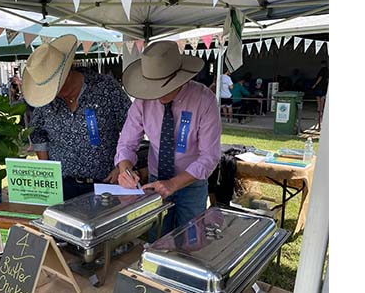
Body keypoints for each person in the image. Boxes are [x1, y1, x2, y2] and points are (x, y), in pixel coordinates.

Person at [115, 41, 221, 235]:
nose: (157, 94)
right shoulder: (142, 101)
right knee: (156, 238)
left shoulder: (204, 100)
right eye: (152, 87)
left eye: (163, 87)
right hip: (155, 181)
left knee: (191, 238)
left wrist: (174, 183)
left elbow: (209, 156)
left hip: (191, 183)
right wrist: (125, 170)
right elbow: (126, 144)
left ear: (180, 78)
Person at [23, 35, 131, 200]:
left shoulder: (106, 88)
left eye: (56, 87)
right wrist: (48, 170)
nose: (54, 94)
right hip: (63, 185)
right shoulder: (46, 103)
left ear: (67, 73)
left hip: (106, 183)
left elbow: (132, 129)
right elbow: (37, 132)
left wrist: (121, 167)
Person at [311, 60, 329, 130]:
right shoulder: (327, 70)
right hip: (325, 86)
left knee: (318, 96)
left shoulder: (322, 70)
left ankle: (319, 109)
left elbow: (320, 77)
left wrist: (315, 84)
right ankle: (321, 109)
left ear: (322, 64)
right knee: (323, 98)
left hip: (320, 86)